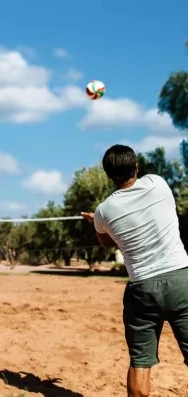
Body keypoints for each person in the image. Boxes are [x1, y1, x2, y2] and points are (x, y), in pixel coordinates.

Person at [81, 144, 188, 397]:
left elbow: (107, 242)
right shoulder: (158, 183)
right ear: (136, 167)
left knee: (140, 362)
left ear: (108, 175)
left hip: (142, 288)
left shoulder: (103, 211)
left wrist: (97, 223)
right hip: (181, 281)